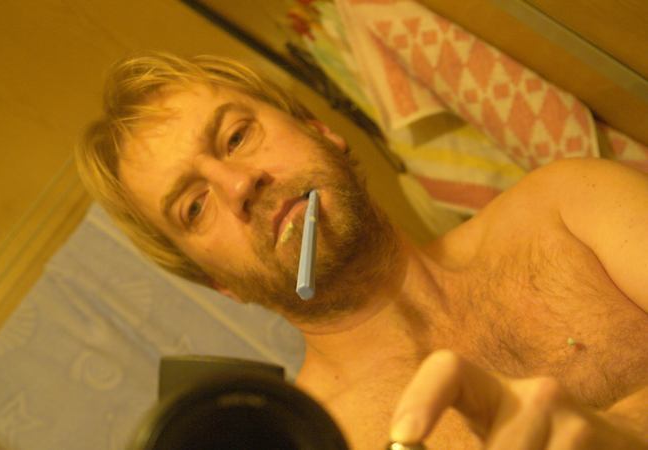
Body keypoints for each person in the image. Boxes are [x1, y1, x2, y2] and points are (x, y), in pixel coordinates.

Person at [76, 52, 648, 449]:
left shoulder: (567, 204)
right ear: (218, 283)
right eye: (195, 207)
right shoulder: (315, 441)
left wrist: (626, 434)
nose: (239, 184)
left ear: (320, 130)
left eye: (237, 136)